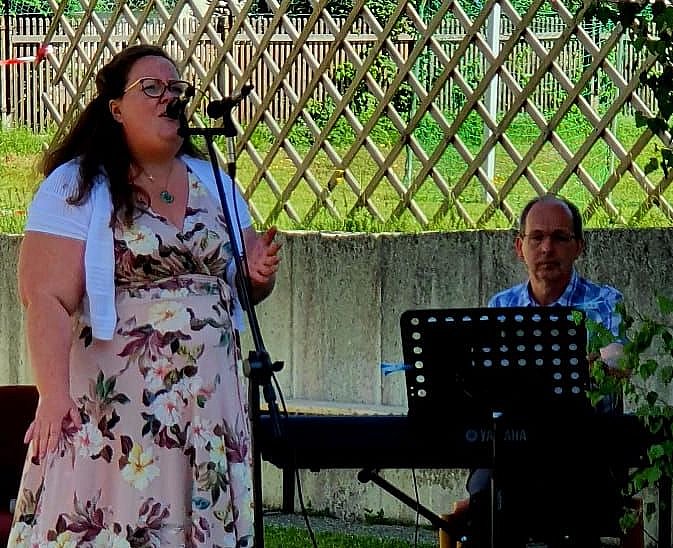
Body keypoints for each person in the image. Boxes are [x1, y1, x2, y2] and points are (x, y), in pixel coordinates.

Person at [7, 44, 281, 547]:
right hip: (120, 416)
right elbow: (45, 297)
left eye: (176, 89)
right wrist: (54, 394)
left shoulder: (215, 183)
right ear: (115, 108)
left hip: (209, 414)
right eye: (151, 88)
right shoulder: (77, 185)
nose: (167, 98)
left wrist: (256, 276)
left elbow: (243, 288)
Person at [463, 195, 627, 547]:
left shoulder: (605, 301)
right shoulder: (500, 305)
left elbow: (618, 363)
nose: (547, 248)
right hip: (512, 449)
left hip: (583, 451)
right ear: (519, 247)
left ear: (578, 247)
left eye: (559, 237)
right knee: (486, 496)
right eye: (536, 237)